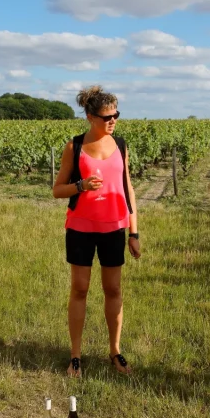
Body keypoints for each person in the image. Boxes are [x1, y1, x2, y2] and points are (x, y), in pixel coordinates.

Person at [52, 86, 141, 378]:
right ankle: (75, 356)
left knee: (113, 289)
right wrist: (80, 186)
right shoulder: (74, 146)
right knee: (80, 289)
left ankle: (115, 351)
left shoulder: (121, 145)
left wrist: (134, 232)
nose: (113, 121)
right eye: (106, 117)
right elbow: (56, 190)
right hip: (80, 228)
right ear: (90, 117)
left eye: (116, 115)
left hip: (114, 227)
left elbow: (128, 190)